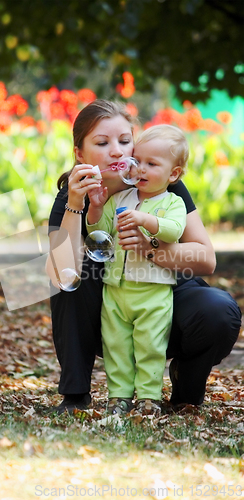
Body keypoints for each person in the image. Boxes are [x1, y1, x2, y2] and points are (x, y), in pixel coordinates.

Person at [46, 99, 242, 415]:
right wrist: (75, 204)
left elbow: (206, 259)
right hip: (110, 308)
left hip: (165, 294)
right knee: (75, 274)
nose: (117, 151)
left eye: (125, 141)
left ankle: (186, 382)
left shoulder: (161, 184)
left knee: (219, 311)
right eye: (102, 142)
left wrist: (149, 248)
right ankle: (75, 395)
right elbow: (59, 274)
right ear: (80, 154)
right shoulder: (73, 195)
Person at [86, 124, 188, 416]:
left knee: (150, 346)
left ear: (174, 174)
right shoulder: (119, 199)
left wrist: (145, 219)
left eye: (152, 164)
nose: (141, 169)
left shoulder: (173, 202)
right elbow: (100, 232)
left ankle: (149, 397)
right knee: (116, 345)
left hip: (153, 291)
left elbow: (173, 230)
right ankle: (118, 396)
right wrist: (95, 208)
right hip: (116, 288)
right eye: (138, 161)